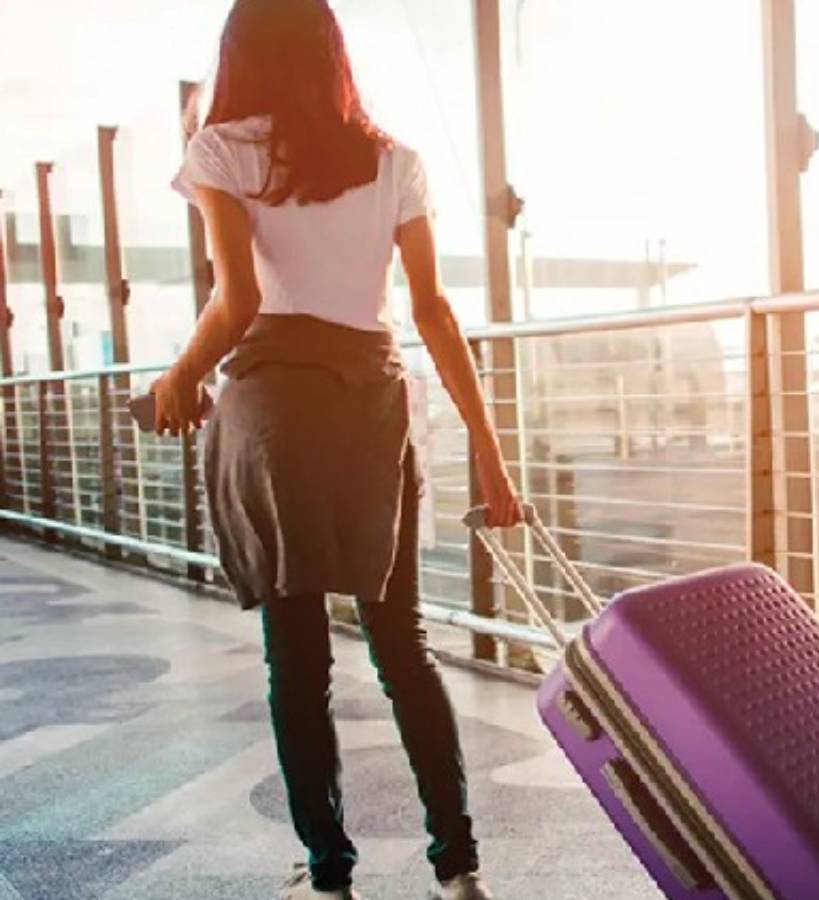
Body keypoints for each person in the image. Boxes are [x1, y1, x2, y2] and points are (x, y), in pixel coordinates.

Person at [152, 1, 523, 897]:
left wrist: (178, 378)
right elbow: (432, 313)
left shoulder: (220, 149)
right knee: (403, 646)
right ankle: (457, 864)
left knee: (299, 656)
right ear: (332, 52)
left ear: (237, 52)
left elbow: (236, 300)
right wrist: (491, 452)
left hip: (279, 416)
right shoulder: (393, 159)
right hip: (372, 410)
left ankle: (329, 870)